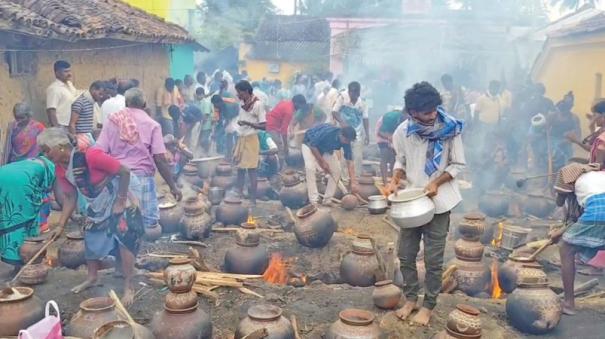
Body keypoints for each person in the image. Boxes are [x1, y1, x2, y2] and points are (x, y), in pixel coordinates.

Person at [386, 81, 465, 326]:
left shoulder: (450, 128)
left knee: (433, 258)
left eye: (434, 109)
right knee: (406, 255)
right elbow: (401, 160)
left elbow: (457, 165)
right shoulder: (402, 132)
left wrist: (437, 183)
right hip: (411, 201)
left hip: (439, 202)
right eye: (426, 112)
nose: (432, 115)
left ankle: (429, 305)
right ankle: (410, 298)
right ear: (412, 113)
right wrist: (395, 179)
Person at [38, 128, 140, 305]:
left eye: (47, 150)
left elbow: (124, 171)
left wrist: (121, 201)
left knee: (124, 236)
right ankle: (92, 277)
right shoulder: (60, 168)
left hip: (120, 191)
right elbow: (70, 197)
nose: (45, 154)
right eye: (43, 151)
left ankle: (129, 285)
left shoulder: (90, 155)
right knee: (90, 233)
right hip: (97, 200)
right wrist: (60, 225)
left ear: (61, 146)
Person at [96, 88, 182, 236]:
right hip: (142, 180)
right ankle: (142, 254)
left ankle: (121, 252)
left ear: (126, 102)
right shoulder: (152, 124)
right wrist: (173, 186)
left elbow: (100, 151)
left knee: (119, 222)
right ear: (144, 103)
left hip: (117, 177)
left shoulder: (112, 120)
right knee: (148, 225)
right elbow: (160, 160)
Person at [550, 162, 605, 315]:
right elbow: (579, 219)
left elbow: (560, 202)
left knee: (565, 248)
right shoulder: (597, 176)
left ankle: (568, 303)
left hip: (600, 211)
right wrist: (562, 231)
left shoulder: (571, 178)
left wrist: (560, 190)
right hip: (598, 210)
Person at [0, 155, 55, 267]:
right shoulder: (51, 167)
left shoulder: (32, 162)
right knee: (21, 220)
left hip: (3, 175)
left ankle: (9, 259)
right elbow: (63, 197)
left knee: (6, 217)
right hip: (19, 183)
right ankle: (17, 262)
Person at [302, 123, 359, 206]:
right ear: (341, 135)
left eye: (349, 141)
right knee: (310, 168)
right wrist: (322, 162)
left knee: (336, 170)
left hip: (325, 148)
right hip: (309, 144)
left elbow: (349, 161)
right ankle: (314, 201)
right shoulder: (328, 132)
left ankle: (327, 200)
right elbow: (313, 146)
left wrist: (353, 182)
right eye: (346, 140)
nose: (347, 143)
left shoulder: (346, 141)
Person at [233, 80, 266, 206]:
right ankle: (238, 196)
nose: (238, 95)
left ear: (246, 91)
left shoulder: (258, 104)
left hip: (251, 139)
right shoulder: (243, 104)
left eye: (239, 92)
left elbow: (264, 125)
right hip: (241, 138)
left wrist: (247, 123)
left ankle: (253, 200)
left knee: (252, 170)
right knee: (240, 169)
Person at [332, 81, 370, 174]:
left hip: (357, 133)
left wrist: (367, 134)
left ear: (359, 92)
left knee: (357, 157)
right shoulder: (342, 97)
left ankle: (356, 178)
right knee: (344, 157)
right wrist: (342, 122)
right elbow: (334, 112)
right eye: (352, 92)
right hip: (344, 133)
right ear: (349, 92)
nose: (354, 95)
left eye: (356, 93)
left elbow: (365, 118)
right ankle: (344, 178)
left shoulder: (363, 102)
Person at [266, 94, 307, 165]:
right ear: (296, 103)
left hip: (271, 124)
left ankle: (277, 165)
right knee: (280, 148)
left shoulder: (285, 103)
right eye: (301, 105)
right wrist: (285, 146)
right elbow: (283, 131)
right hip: (272, 127)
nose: (300, 108)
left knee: (276, 146)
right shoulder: (289, 111)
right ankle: (280, 169)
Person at [70, 81, 105, 151]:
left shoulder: (91, 102)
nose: (101, 97)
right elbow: (72, 124)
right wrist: (75, 140)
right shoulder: (80, 102)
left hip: (87, 136)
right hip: (80, 138)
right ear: (93, 90)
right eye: (100, 94)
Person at [376, 107, 406, 185]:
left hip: (393, 135)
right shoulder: (390, 118)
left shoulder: (407, 121)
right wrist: (391, 138)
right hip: (383, 133)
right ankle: (385, 182)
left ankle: (393, 181)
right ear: (404, 114)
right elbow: (380, 132)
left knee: (394, 158)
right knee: (385, 156)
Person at [46, 60, 78, 128]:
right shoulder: (54, 88)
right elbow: (51, 111)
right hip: (62, 126)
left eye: (69, 71)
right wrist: (57, 129)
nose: (69, 74)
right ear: (57, 73)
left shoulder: (70, 84)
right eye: (66, 71)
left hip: (72, 125)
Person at [211, 94, 239, 159]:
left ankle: (234, 155)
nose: (215, 106)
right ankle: (229, 154)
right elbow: (221, 119)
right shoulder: (221, 103)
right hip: (230, 118)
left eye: (215, 104)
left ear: (219, 102)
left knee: (233, 136)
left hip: (236, 119)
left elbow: (226, 122)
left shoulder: (228, 107)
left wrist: (217, 134)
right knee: (228, 135)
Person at [195, 87, 214, 154]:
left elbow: (206, 115)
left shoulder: (206, 102)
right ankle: (206, 153)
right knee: (199, 142)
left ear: (203, 94)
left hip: (207, 125)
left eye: (199, 94)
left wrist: (200, 123)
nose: (197, 96)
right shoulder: (198, 103)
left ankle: (209, 150)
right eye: (197, 94)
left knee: (203, 141)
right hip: (202, 126)